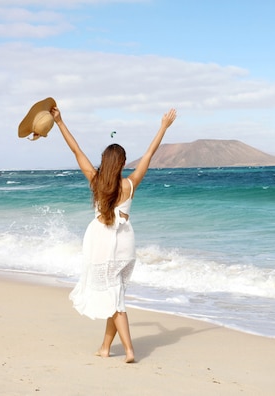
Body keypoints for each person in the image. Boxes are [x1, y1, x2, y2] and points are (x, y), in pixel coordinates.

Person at [51, 106, 177, 363]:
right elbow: (150, 154)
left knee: (115, 298)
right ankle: (106, 348)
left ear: (104, 161)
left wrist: (60, 122)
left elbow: (76, 151)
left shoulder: (96, 181)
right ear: (121, 164)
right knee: (115, 294)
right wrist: (163, 127)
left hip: (101, 244)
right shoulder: (130, 184)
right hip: (125, 246)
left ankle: (130, 351)